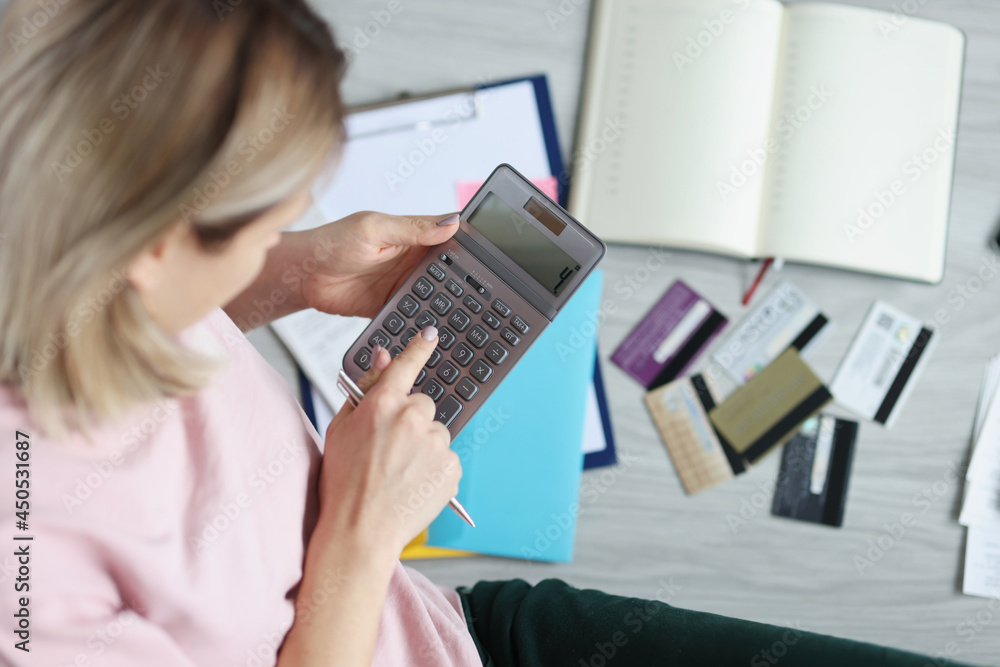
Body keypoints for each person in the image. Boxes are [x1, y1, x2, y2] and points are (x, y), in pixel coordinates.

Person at [0, 1, 974, 666]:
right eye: (262, 221)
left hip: (457, 632)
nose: (283, 234)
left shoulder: (47, 239)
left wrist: (289, 269)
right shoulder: (32, 591)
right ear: (150, 243)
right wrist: (360, 531)